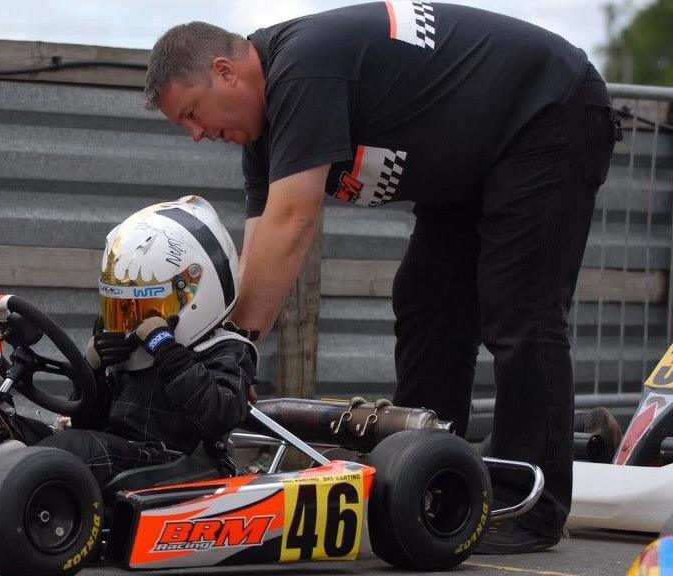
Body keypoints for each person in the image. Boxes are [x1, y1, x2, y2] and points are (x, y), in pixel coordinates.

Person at [145, 4, 621, 554]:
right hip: (473, 165)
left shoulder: (303, 68)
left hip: (549, 111)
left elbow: (294, 220)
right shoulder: (263, 135)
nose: (198, 135)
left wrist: (234, 351)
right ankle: (423, 479)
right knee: (426, 304)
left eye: (193, 114)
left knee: (522, 307)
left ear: (226, 72)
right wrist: (231, 349)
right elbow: (263, 245)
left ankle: (529, 507)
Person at [38, 195, 257, 486]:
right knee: (12, 432)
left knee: (65, 452)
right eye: (123, 309)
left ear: (193, 293)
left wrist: (167, 351)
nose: (131, 324)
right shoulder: (126, 350)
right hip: (116, 452)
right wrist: (93, 373)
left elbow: (220, 414)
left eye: (144, 310)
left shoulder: (228, 348)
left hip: (170, 462)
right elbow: (86, 424)